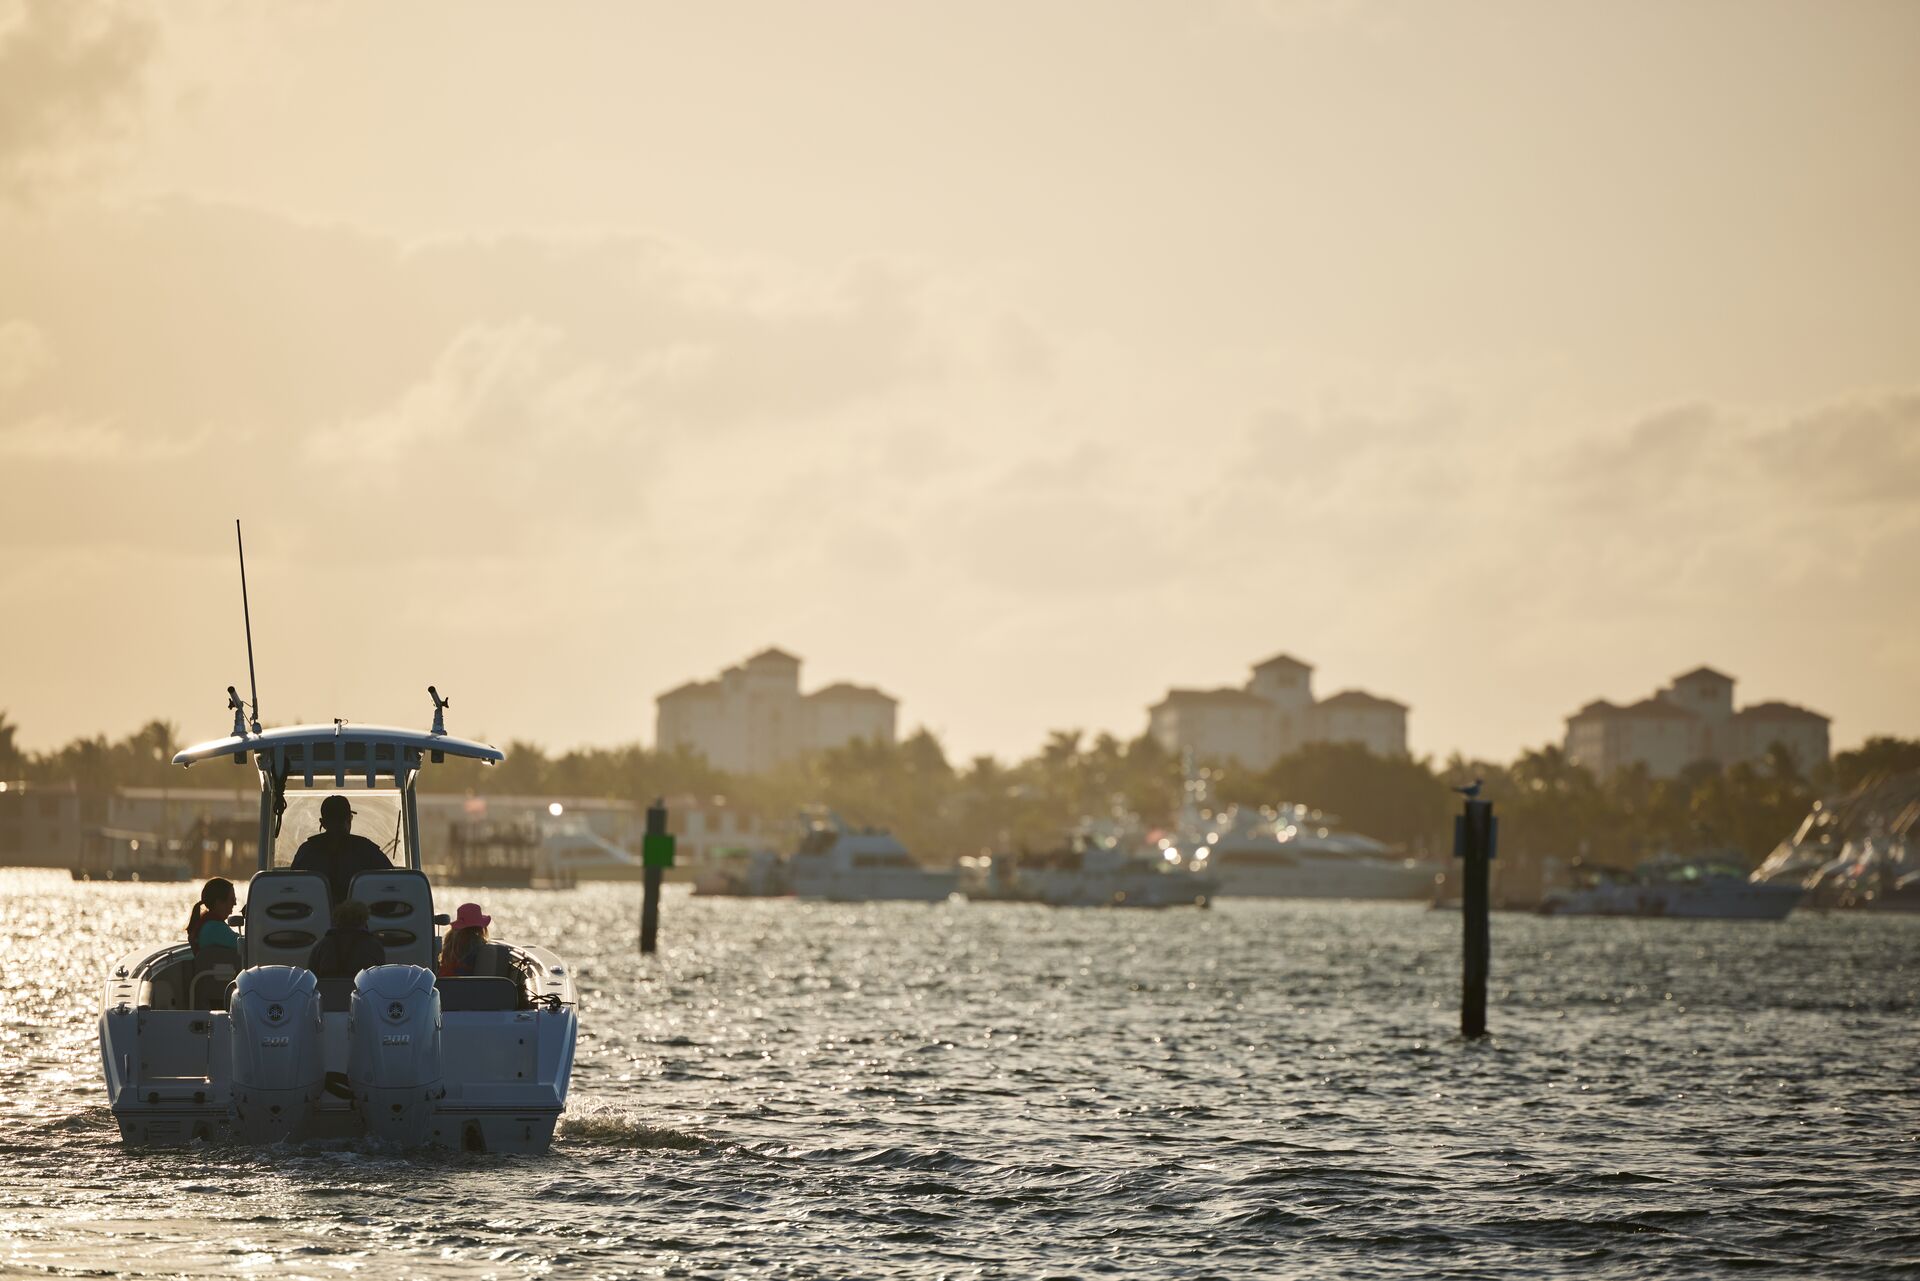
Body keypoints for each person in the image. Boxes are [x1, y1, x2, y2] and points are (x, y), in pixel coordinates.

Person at [291, 794, 391, 905]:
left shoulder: (306, 851)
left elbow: (292, 888)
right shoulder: (367, 849)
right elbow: (392, 884)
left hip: (313, 920)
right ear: (349, 819)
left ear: (322, 823)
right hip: (358, 919)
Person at [307, 899, 387, 980]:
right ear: (363, 920)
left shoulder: (322, 946)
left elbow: (311, 978)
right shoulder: (374, 946)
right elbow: (380, 978)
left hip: (329, 991)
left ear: (337, 920)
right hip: (362, 991)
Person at [186, 877, 240, 954]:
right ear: (219, 903)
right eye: (231, 899)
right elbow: (247, 945)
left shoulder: (209, 924)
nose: (235, 903)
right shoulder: (215, 928)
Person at [438, 902, 491, 978]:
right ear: (480, 928)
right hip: (464, 986)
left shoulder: (450, 941)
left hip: (445, 983)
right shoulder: (478, 945)